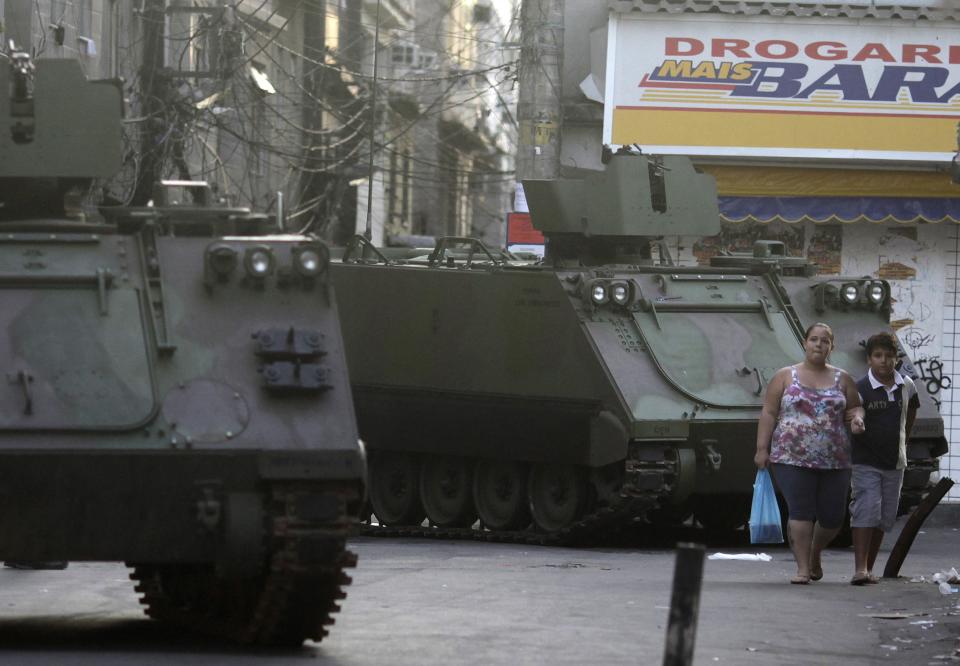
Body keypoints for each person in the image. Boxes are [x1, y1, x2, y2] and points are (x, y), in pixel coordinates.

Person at [754, 323, 865, 584]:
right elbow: (769, 412)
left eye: (824, 341)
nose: (818, 344)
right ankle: (803, 568)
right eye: (814, 339)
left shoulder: (842, 378)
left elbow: (856, 407)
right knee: (800, 512)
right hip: (791, 457)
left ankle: (815, 553)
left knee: (832, 517)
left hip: (835, 459)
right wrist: (762, 449)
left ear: (831, 347)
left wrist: (858, 419)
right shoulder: (785, 376)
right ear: (805, 343)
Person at [849, 332, 919, 585]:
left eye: (889, 356)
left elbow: (911, 410)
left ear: (897, 358)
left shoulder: (907, 385)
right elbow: (854, 413)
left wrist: (904, 441)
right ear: (869, 359)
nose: (884, 361)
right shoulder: (861, 388)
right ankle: (859, 568)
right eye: (878, 356)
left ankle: (869, 568)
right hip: (865, 460)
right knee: (867, 510)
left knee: (884, 517)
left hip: (895, 462)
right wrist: (857, 422)